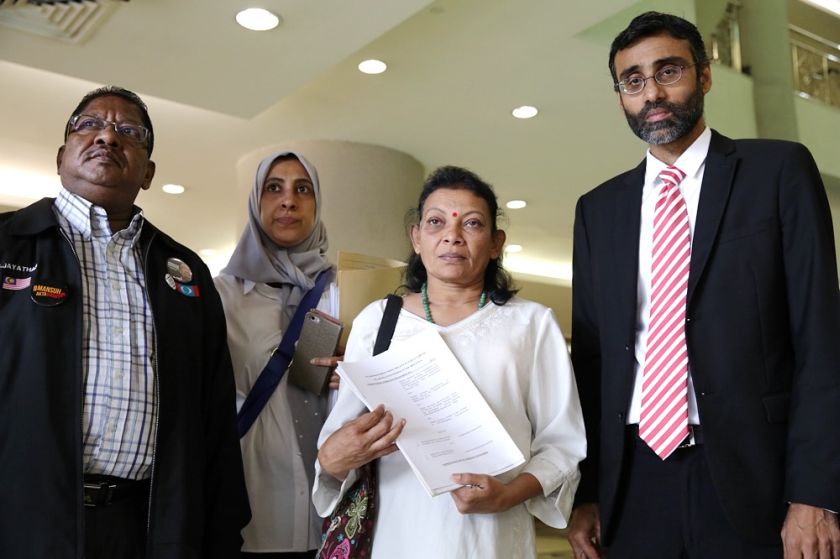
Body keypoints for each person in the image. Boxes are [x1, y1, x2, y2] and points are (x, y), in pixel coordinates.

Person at [567, 12, 840, 559]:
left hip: (756, 475)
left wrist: (816, 492)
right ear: (620, 95)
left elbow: (822, 338)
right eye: (634, 80)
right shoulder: (598, 211)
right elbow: (593, 363)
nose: (653, 92)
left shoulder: (778, 171)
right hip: (635, 480)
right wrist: (588, 491)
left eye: (669, 71)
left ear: (705, 75)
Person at [0, 86, 250, 558]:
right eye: (89, 124)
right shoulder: (8, 246)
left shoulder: (185, 272)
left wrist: (220, 535)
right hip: (22, 522)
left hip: (147, 528)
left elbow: (213, 414)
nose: (108, 138)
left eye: (129, 132)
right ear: (61, 155)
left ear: (149, 172)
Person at [314, 165, 586, 559]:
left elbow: (561, 445)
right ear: (417, 238)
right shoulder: (379, 321)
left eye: (471, 224)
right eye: (436, 222)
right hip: (396, 534)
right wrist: (334, 456)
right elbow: (339, 444)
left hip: (492, 539)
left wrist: (507, 494)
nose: (451, 236)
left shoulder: (532, 324)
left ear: (496, 243)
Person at [215, 151, 340, 559]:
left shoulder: (345, 294)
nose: (288, 200)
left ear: (317, 203)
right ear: (256, 202)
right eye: (274, 188)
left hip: (335, 511)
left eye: (302, 189)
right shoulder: (222, 297)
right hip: (256, 509)